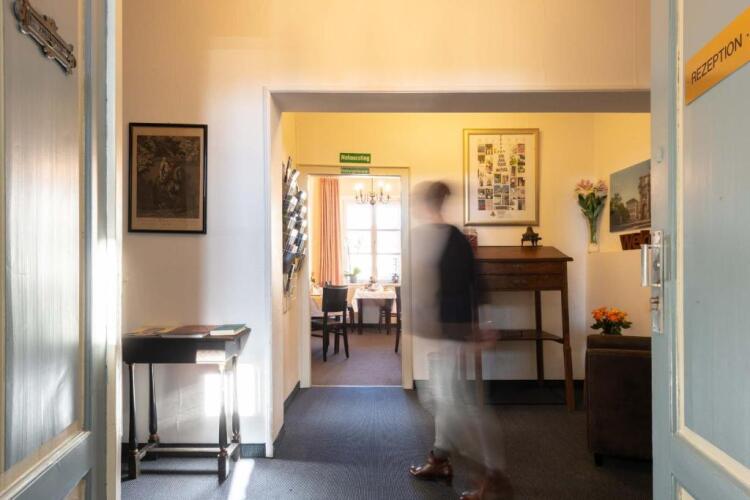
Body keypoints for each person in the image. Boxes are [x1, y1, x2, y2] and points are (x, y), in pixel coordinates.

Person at [408, 181, 512, 500]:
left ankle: (493, 472)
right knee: (442, 399)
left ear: (427, 204)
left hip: (453, 331)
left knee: (452, 403)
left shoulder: (448, 239)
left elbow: (473, 283)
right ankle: (440, 459)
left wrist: (483, 326)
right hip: (440, 332)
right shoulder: (436, 237)